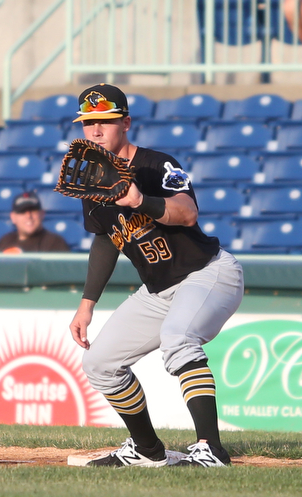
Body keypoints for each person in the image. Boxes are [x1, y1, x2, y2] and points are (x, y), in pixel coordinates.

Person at [68, 83, 244, 467]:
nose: (95, 130)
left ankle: (211, 449)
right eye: (87, 123)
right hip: (160, 289)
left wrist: (139, 200)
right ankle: (148, 451)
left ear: (126, 122)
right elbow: (105, 240)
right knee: (99, 363)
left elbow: (187, 212)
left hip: (208, 272)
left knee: (179, 338)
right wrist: (87, 303)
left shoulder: (155, 163)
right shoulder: (92, 181)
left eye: (105, 121)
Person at [0, 191, 71, 253]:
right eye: (22, 212)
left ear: (42, 214)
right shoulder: (5, 241)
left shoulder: (54, 242)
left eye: (33, 211)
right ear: (13, 217)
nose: (28, 216)